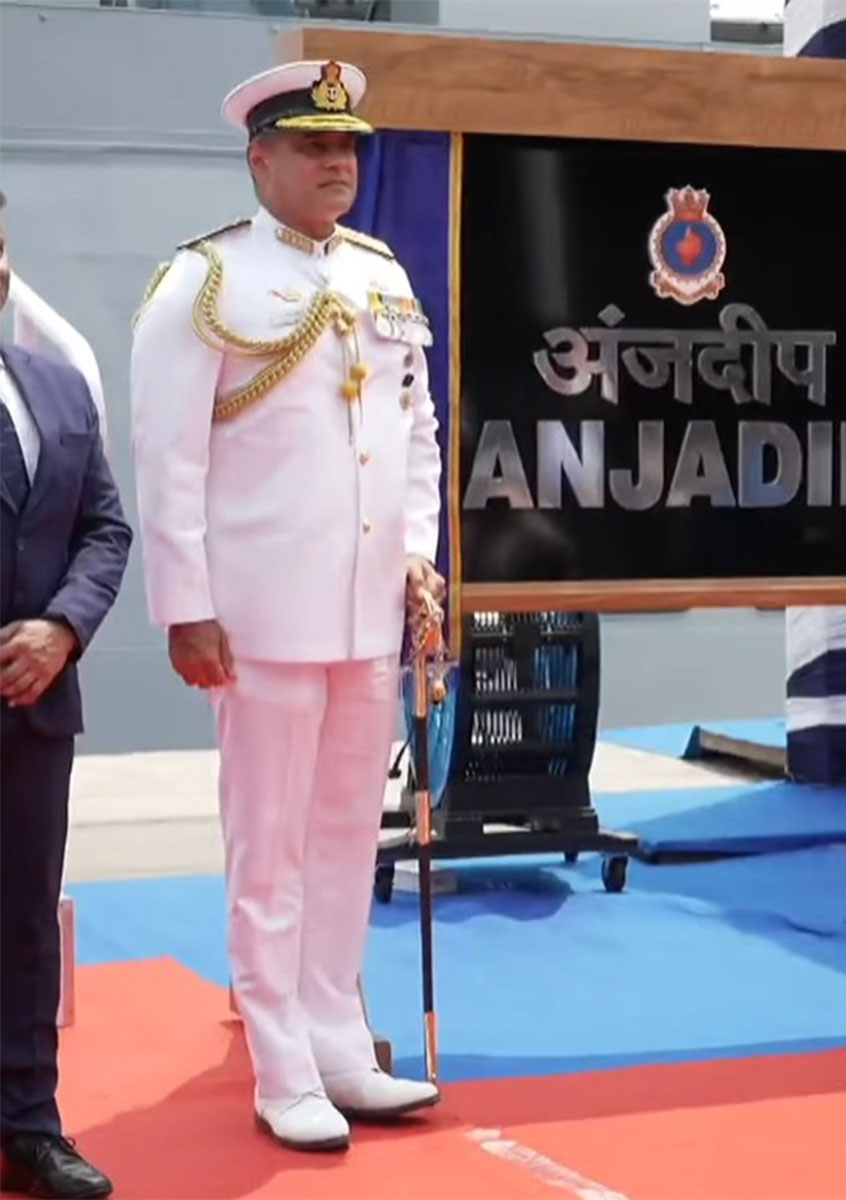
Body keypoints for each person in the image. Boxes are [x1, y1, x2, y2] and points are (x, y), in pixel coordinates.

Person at [128, 60, 446, 1150]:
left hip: (363, 613)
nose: (336, 164)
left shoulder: (379, 274)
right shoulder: (203, 283)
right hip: (258, 617)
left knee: (348, 835)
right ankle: (279, 1064)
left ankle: (339, 1039)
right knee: (267, 845)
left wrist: (419, 565)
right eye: (313, 147)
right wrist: (187, 605)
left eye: (347, 147)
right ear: (259, 157)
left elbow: (416, 437)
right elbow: (167, 460)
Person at [0, 189, 130, 1198]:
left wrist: (64, 627)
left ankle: (29, 1125)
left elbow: (104, 528)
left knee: (24, 922)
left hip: (34, 703)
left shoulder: (59, 386)